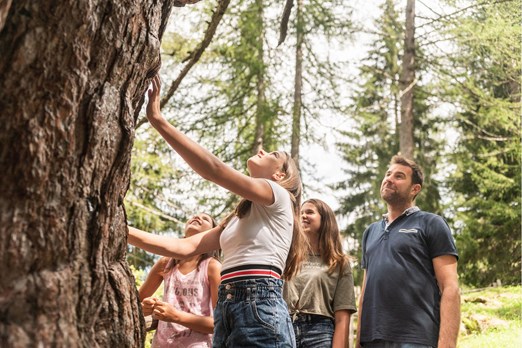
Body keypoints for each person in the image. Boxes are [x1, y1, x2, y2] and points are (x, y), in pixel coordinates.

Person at [128, 74, 306, 347]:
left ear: (280, 175)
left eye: (271, 154)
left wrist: (158, 120)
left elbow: (214, 170)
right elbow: (182, 247)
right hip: (229, 305)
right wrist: (122, 230)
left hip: (260, 302)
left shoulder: (279, 196)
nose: (261, 150)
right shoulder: (238, 218)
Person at [356, 155, 460, 348]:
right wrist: (359, 341)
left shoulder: (431, 223)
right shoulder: (370, 232)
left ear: (415, 189)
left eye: (399, 176)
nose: (389, 179)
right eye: (388, 174)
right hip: (372, 340)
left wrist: (447, 344)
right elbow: (365, 292)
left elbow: (450, 288)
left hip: (416, 338)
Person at [138, 213, 222, 348]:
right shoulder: (165, 263)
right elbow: (136, 300)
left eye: (205, 218)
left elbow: (219, 323)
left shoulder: (213, 267)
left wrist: (176, 316)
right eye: (194, 216)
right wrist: (146, 307)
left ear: (213, 234)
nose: (197, 217)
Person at [283, 198, 357, 348]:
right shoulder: (287, 257)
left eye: (309, 212)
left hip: (319, 333)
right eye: (301, 213)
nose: (303, 216)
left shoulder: (339, 262)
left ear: (325, 221)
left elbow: (342, 318)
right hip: (284, 329)